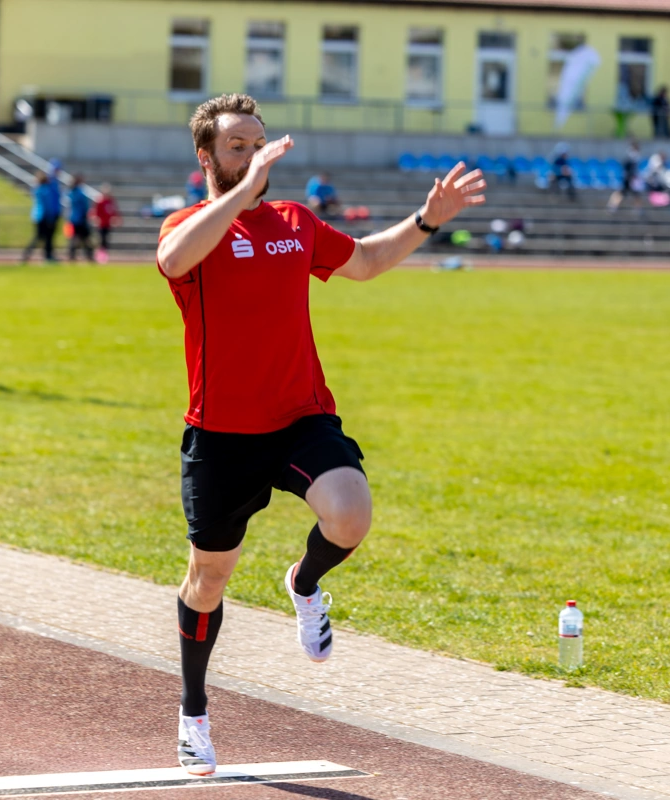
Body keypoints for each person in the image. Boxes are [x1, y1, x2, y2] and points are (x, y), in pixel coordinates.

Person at [156, 93, 485, 776]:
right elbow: (174, 261)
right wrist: (241, 193)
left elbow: (363, 260)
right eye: (237, 145)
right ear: (207, 157)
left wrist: (427, 220)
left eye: (259, 142)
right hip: (220, 434)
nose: (253, 154)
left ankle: (305, 584)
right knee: (209, 578)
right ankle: (193, 713)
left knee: (351, 512)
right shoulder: (192, 224)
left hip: (300, 416)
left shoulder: (294, 222)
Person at [21, 172, 61, 264]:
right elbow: (48, 206)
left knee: (39, 237)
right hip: (44, 217)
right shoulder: (46, 190)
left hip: (37, 216)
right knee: (47, 238)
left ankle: (27, 254)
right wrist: (51, 218)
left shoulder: (37, 189)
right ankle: (47, 256)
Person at [607, 139, 642, 212]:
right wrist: (629, 176)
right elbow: (627, 168)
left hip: (631, 179)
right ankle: (613, 205)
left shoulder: (634, 157)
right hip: (628, 179)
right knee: (622, 192)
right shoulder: (631, 157)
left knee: (634, 194)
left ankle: (638, 208)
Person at [66, 175, 93, 262]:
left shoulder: (71, 193)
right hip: (80, 219)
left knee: (75, 238)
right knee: (85, 238)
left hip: (73, 218)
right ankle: (89, 255)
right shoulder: (80, 193)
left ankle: (72, 255)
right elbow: (85, 207)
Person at [92, 182, 121, 255]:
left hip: (107, 223)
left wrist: (116, 218)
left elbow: (114, 211)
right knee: (101, 239)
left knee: (106, 240)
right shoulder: (100, 201)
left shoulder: (110, 201)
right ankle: (100, 254)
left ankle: (103, 254)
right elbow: (96, 212)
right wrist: (96, 219)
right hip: (101, 223)